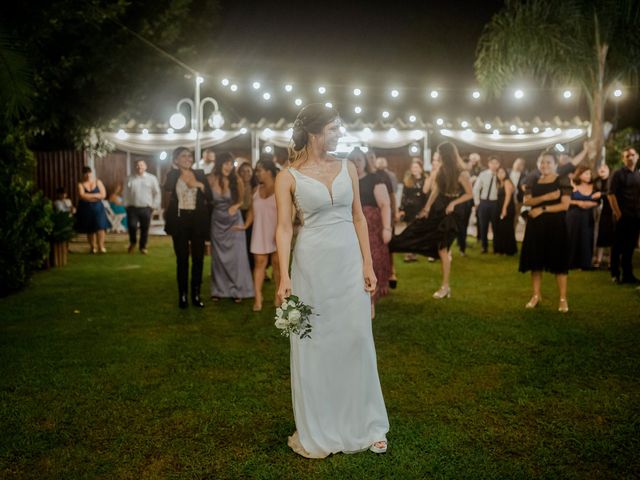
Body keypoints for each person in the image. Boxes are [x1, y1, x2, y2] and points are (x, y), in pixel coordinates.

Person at [275, 103, 389, 458]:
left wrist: (368, 265)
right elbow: (282, 229)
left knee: (356, 338)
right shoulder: (287, 176)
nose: (339, 134)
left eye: (340, 128)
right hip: (311, 264)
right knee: (317, 344)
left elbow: (357, 218)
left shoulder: (348, 167)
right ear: (313, 132)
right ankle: (320, 424)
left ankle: (366, 422)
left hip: (347, 262)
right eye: (333, 128)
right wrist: (283, 276)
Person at [390, 142, 473, 298]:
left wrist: (454, 203)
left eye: (440, 154)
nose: (438, 157)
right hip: (439, 209)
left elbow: (469, 194)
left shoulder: (462, 173)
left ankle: (445, 286)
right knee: (420, 232)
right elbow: (436, 190)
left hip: (453, 214)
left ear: (446, 155)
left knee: (442, 248)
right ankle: (444, 284)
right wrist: (427, 208)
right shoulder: (441, 170)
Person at [519, 150, 571, 312]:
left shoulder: (562, 179)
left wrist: (542, 208)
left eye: (548, 162)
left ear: (555, 164)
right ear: (537, 164)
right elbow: (526, 201)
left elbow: (564, 205)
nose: (545, 165)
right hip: (536, 226)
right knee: (535, 262)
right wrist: (546, 197)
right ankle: (536, 295)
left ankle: (563, 298)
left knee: (559, 263)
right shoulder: (532, 180)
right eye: (542, 162)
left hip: (556, 225)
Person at [164, 147, 213, 308]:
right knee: (182, 259)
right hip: (179, 220)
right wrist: (178, 173)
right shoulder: (172, 175)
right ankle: (183, 295)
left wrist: (198, 184)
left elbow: (210, 197)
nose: (188, 158)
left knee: (198, 258)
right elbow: (168, 189)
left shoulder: (199, 173)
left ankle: (196, 295)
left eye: (189, 156)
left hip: (197, 220)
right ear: (176, 159)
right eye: (183, 156)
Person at [348, 147, 392, 319]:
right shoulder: (346, 179)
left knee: (371, 262)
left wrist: (387, 228)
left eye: (360, 159)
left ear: (365, 161)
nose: (357, 163)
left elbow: (385, 205)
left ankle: (371, 302)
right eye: (354, 159)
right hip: (350, 227)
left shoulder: (375, 179)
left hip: (372, 229)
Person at [234, 159, 280, 312]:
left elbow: (287, 214)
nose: (257, 174)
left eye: (260, 170)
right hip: (260, 231)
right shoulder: (255, 190)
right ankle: (258, 297)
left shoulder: (280, 189)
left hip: (277, 232)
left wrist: (279, 232)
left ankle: (278, 295)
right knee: (259, 264)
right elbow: (252, 211)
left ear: (269, 172)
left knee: (277, 266)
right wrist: (246, 225)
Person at [208, 152, 254, 302]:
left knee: (236, 257)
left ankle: (238, 290)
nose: (228, 167)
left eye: (230, 164)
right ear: (219, 163)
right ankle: (219, 290)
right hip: (217, 221)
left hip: (234, 221)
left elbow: (242, 201)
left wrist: (236, 206)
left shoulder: (237, 180)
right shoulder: (211, 179)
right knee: (218, 257)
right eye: (226, 163)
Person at [608, 147, 640, 284]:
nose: (630, 157)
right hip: (622, 216)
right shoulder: (618, 174)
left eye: (633, 155)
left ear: (637, 157)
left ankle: (628, 275)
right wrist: (617, 213)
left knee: (630, 247)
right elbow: (611, 194)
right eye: (627, 155)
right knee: (617, 246)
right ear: (623, 158)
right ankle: (615, 274)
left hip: (636, 216)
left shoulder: (638, 175)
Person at [566, 165, 600, 270]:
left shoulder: (594, 186)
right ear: (579, 175)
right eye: (586, 174)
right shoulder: (572, 186)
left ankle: (585, 263)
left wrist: (589, 204)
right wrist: (578, 202)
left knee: (586, 238)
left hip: (588, 216)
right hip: (573, 216)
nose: (588, 176)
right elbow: (566, 200)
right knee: (572, 237)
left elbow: (598, 201)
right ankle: (570, 263)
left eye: (589, 174)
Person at [123, 160, 160, 254]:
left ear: (145, 166)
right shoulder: (129, 178)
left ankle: (143, 247)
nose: (139, 167)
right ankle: (133, 242)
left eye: (141, 165)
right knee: (132, 226)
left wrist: (154, 206)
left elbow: (157, 193)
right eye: (137, 165)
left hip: (146, 207)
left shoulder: (152, 178)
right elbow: (125, 193)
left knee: (145, 228)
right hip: (132, 207)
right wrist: (125, 204)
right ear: (135, 167)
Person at [75, 166, 109, 254]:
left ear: (92, 173)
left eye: (89, 173)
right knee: (90, 228)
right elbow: (82, 196)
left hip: (98, 208)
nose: (88, 175)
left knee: (100, 226)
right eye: (85, 173)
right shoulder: (80, 184)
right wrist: (96, 196)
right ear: (83, 174)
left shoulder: (98, 182)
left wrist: (89, 196)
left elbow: (103, 195)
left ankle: (101, 246)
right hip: (86, 208)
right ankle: (93, 247)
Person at [398, 159, 427, 262]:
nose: (414, 169)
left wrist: (425, 209)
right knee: (409, 231)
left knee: (418, 231)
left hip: (420, 209)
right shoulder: (408, 180)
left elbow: (426, 196)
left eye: (416, 167)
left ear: (421, 168)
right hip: (409, 209)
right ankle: (408, 253)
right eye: (413, 167)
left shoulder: (425, 180)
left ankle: (414, 253)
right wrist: (401, 209)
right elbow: (404, 195)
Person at [473, 155, 500, 253]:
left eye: (496, 163)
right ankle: (484, 247)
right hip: (483, 202)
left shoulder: (500, 175)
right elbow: (476, 189)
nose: (494, 165)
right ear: (489, 164)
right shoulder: (483, 174)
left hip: (495, 203)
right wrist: (477, 203)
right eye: (492, 163)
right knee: (483, 225)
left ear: (499, 164)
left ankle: (496, 247)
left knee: (495, 226)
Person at [493, 166, 517, 255]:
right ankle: (501, 249)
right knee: (501, 229)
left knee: (507, 228)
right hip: (500, 207)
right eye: (498, 172)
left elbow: (508, 196)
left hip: (507, 207)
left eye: (502, 172)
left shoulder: (507, 182)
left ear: (506, 173)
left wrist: (504, 209)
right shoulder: (499, 183)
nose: (500, 174)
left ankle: (510, 250)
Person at [237, 161, 257, 269]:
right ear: (239, 172)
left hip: (253, 217)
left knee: (250, 243)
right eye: (243, 171)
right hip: (238, 215)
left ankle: (251, 268)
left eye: (248, 171)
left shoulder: (256, 187)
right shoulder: (235, 186)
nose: (246, 173)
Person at [594, 163, 613, 268]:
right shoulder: (596, 182)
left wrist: (601, 194)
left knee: (611, 235)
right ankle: (598, 259)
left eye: (604, 167)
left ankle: (611, 260)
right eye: (600, 167)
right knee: (601, 234)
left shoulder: (612, 181)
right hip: (601, 211)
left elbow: (612, 193)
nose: (602, 169)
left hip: (612, 210)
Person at [509, 157, 527, 228]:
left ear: (523, 166)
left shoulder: (524, 175)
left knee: (515, 217)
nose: (518, 165)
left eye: (520, 164)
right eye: (516, 163)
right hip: (505, 198)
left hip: (518, 199)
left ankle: (512, 234)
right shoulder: (507, 172)